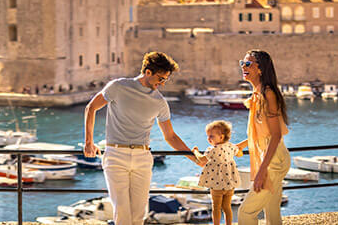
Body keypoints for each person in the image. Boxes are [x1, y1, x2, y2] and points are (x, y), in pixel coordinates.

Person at [83, 51, 195, 225]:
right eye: (161, 78)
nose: (163, 83)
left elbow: (171, 136)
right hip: (115, 155)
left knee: (139, 215)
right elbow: (91, 108)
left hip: (143, 157)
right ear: (148, 72)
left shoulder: (159, 101)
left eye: (166, 80)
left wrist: (195, 158)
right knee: (122, 213)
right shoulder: (118, 86)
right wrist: (89, 142)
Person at [236, 50, 290, 225]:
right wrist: (241, 145)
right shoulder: (257, 93)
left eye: (248, 64)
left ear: (260, 69)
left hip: (273, 161)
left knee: (245, 213)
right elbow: (262, 132)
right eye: (242, 63)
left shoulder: (268, 94)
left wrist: (261, 172)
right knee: (272, 213)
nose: (243, 67)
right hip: (271, 157)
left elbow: (276, 135)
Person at [192, 120, 242, 225]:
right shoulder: (231, 146)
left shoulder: (212, 149)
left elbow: (202, 159)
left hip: (217, 184)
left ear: (221, 137)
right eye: (208, 136)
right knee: (227, 207)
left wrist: (195, 151)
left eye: (211, 136)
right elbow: (240, 154)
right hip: (229, 183)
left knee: (216, 207)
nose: (208, 139)